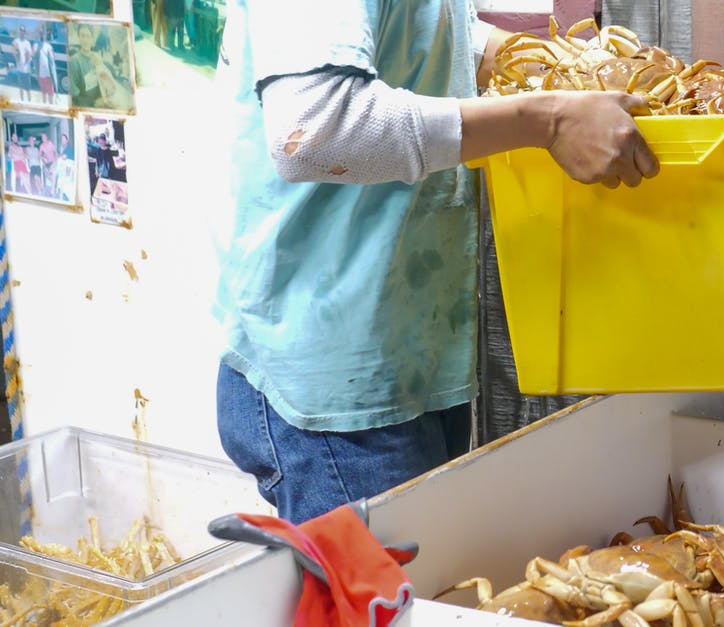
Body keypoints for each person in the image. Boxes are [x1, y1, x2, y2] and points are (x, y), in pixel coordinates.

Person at [215, 0, 658, 523]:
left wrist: (566, 65)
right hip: (336, 385)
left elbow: (423, 30)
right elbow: (311, 131)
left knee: (427, 594)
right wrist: (548, 119)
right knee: (393, 603)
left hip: (404, 353)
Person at [35, 26, 58, 105]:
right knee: (43, 94)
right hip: (41, 75)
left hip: (49, 75)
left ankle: (51, 108)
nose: (41, 35)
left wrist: (52, 54)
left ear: (44, 34)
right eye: (40, 33)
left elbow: (53, 59)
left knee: (50, 94)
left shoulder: (48, 46)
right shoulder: (36, 45)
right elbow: (33, 54)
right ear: (39, 35)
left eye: (42, 33)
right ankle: (45, 108)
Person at [12, 25, 33, 102]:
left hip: (27, 70)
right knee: (20, 88)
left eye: (23, 30)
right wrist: (14, 48)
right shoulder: (16, 41)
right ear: (19, 31)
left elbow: (30, 54)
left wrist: (29, 55)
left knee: (28, 89)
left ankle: (29, 103)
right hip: (19, 69)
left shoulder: (27, 43)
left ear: (25, 32)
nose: (21, 31)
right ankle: (22, 102)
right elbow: (13, 48)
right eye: (20, 30)